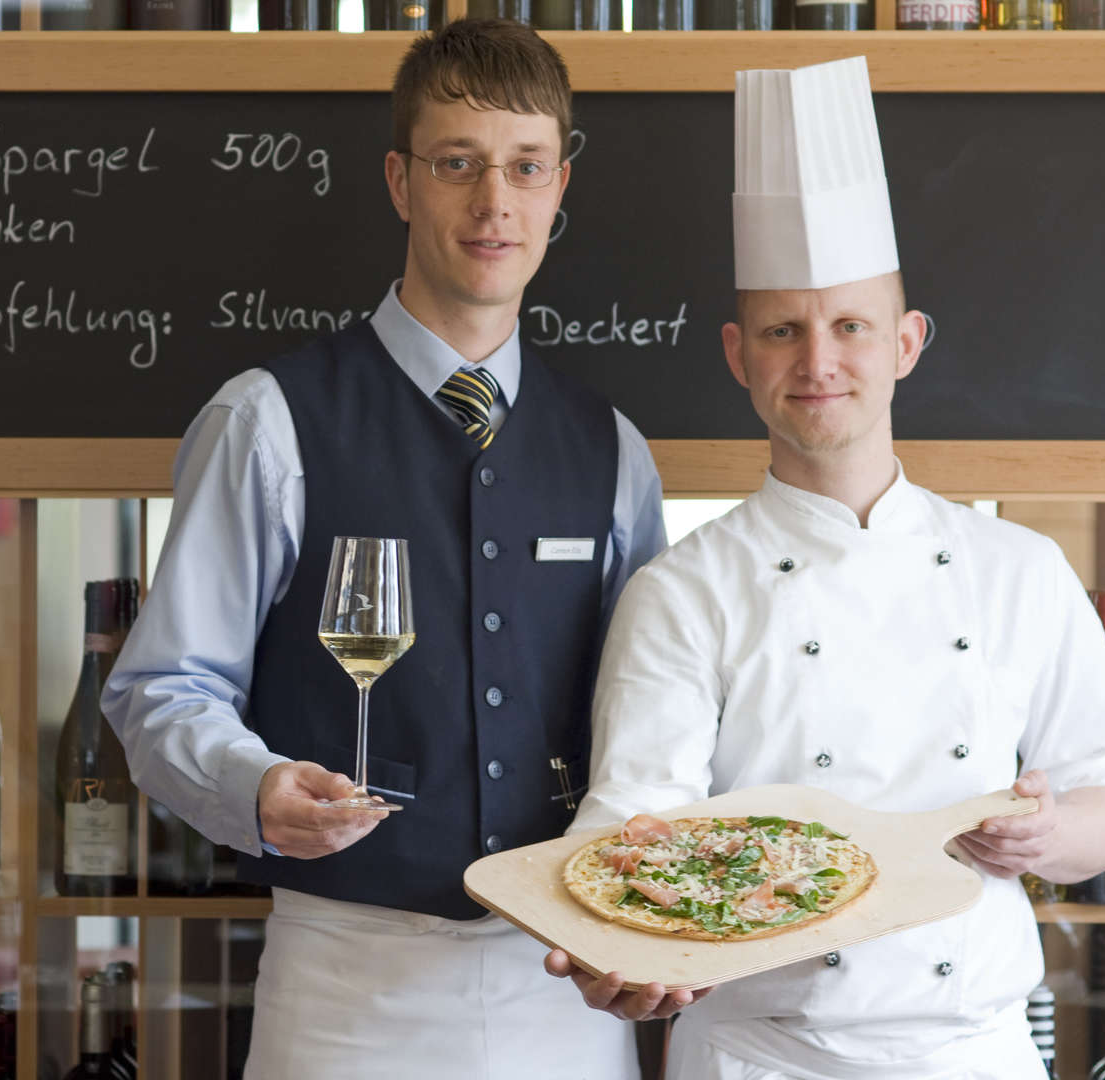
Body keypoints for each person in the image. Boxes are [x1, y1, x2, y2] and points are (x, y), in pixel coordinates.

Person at [546, 56, 1105, 1079]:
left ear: (907, 344)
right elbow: (635, 818)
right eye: (784, 331)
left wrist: (1046, 836)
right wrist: (621, 947)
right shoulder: (684, 589)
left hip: (978, 1051)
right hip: (760, 1054)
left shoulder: (1021, 567)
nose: (817, 363)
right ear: (740, 355)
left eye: (850, 327)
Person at [101, 18, 665, 1080]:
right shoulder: (267, 423)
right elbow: (160, 693)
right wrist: (255, 787)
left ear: (558, 189)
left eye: (524, 167)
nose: (494, 201)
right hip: (344, 987)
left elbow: (647, 718)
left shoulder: (615, 452)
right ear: (403, 182)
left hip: (566, 988)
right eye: (458, 164)